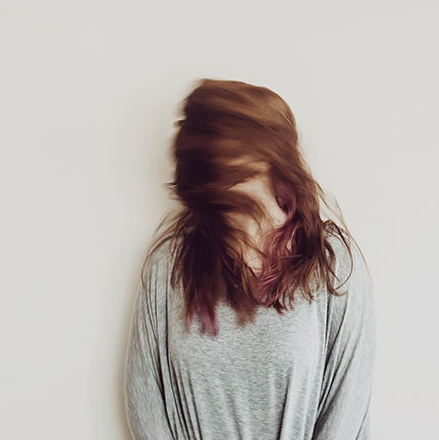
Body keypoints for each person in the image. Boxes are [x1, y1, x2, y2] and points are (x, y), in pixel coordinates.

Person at [124, 78, 377, 440]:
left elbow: (347, 410)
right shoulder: (172, 260)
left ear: (264, 154)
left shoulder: (332, 262)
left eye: (216, 144)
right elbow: (143, 394)